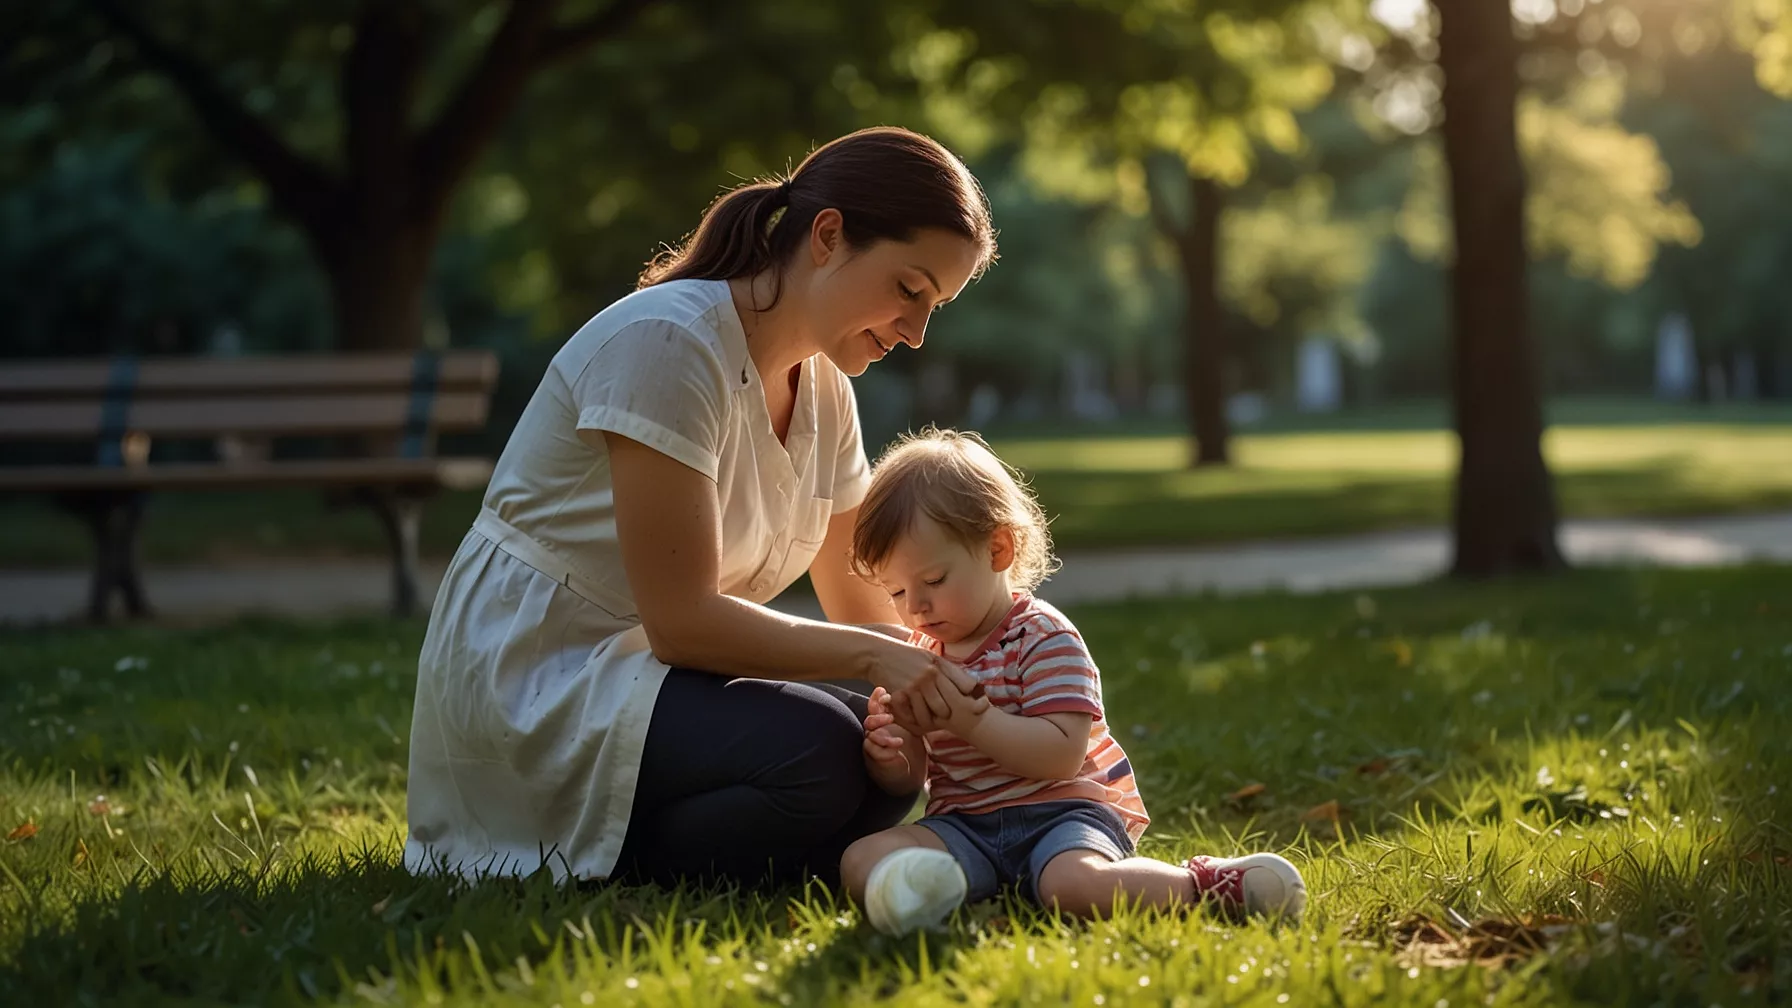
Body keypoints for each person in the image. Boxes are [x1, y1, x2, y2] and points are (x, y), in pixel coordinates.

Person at [405, 127, 996, 887]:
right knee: (818, 750)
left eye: (935, 305)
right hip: (542, 672)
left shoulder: (826, 392)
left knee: (877, 755)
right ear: (827, 236)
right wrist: (881, 660)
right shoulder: (669, 343)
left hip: (655, 675)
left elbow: (866, 613)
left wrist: (933, 706)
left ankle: (783, 856)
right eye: (909, 289)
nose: (916, 333)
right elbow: (682, 621)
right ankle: (595, 856)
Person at [837, 428, 1307, 934]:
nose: (915, 607)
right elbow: (916, 778)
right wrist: (894, 752)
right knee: (863, 855)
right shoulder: (920, 654)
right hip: (964, 826)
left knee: (1071, 886)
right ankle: (926, 891)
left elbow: (1060, 754)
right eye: (897, 591)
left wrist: (974, 721)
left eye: (932, 582)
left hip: (1060, 817)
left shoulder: (1041, 636)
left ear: (998, 550)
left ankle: (1206, 887)